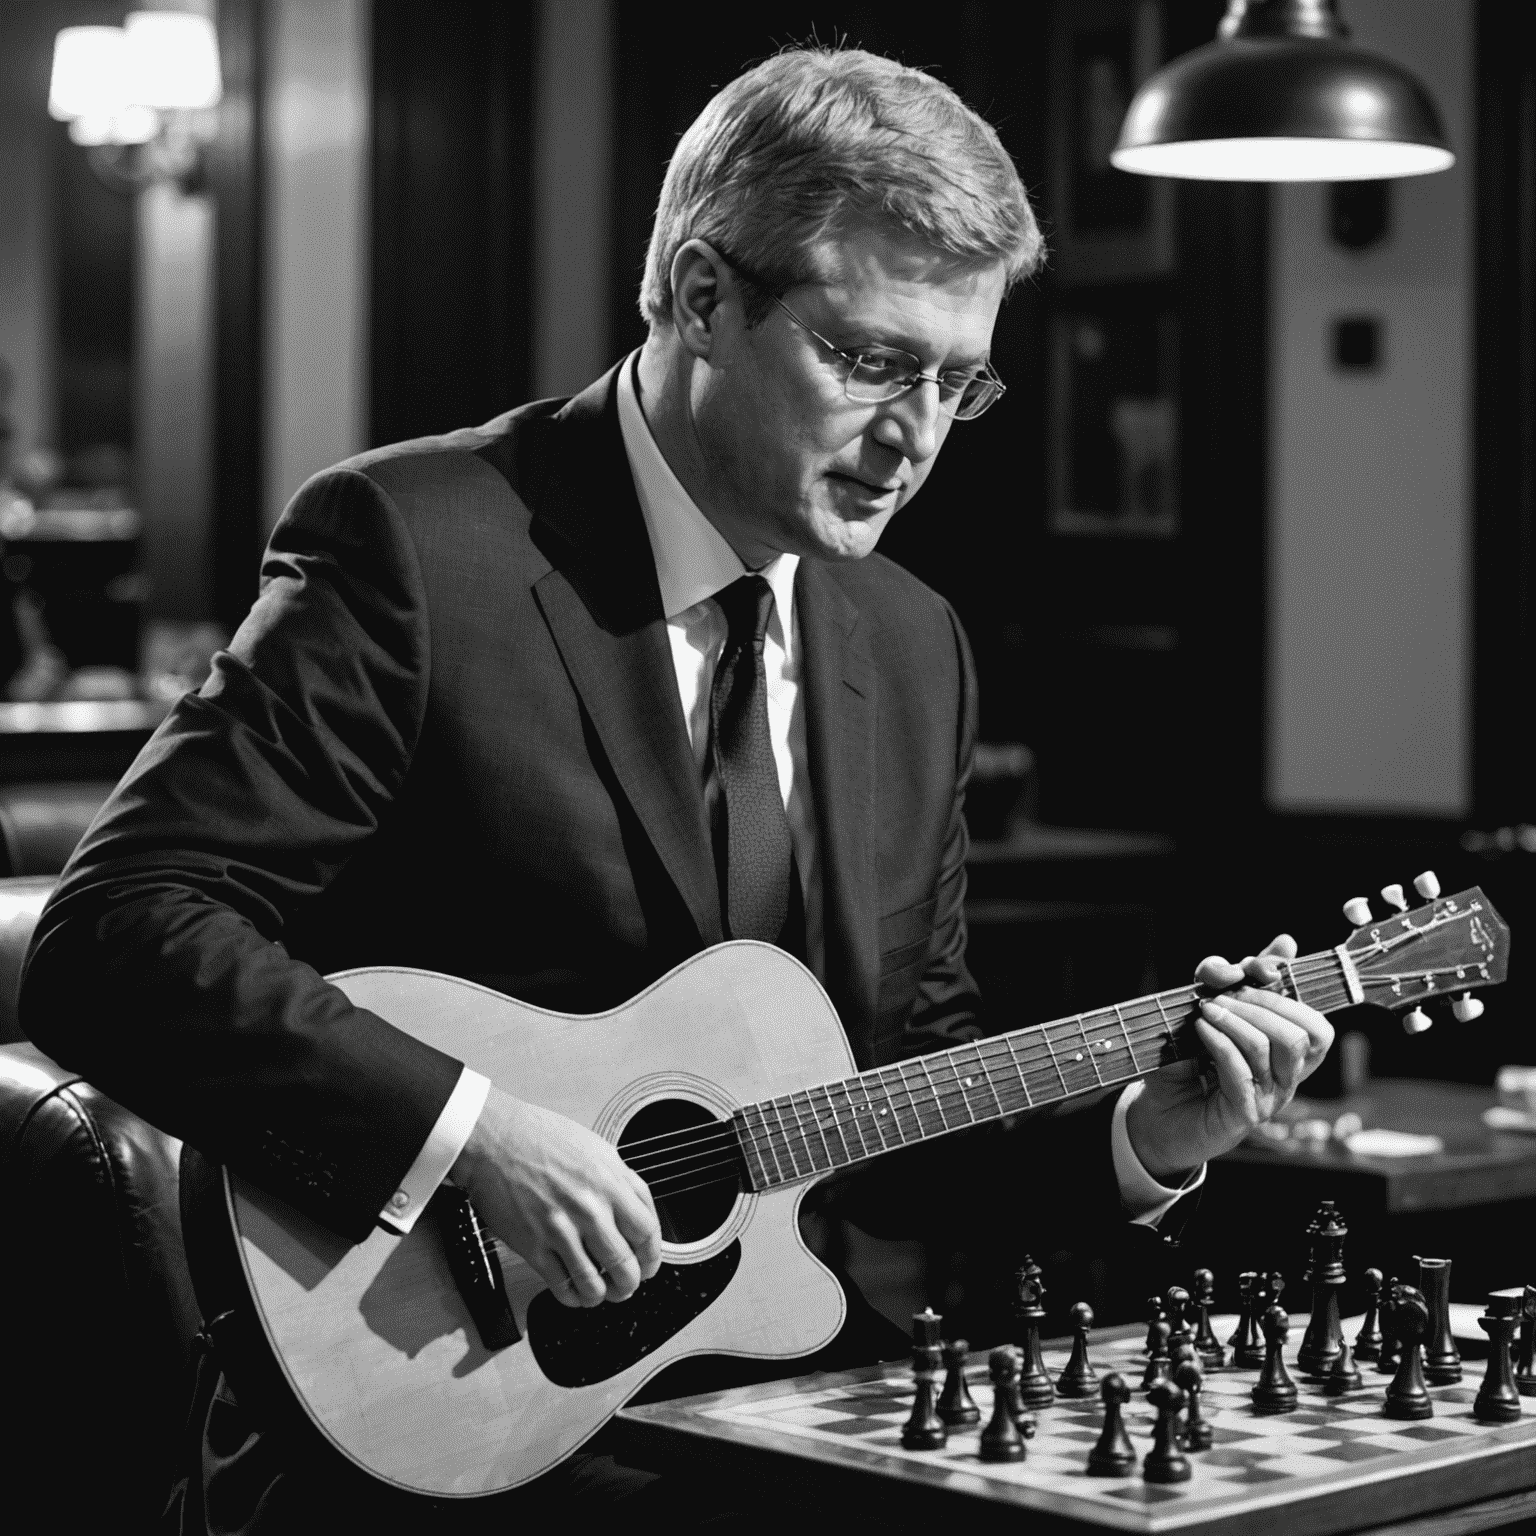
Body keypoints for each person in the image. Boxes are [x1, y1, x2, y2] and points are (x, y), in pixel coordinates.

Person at [19, 46, 1332, 1532]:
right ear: (702, 297)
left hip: (767, 1404)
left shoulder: (912, 648)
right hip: (425, 1430)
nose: (913, 438)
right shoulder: (414, 548)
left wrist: (1147, 1135)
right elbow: (115, 935)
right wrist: (471, 1136)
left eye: (956, 382)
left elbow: (909, 1091)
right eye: (871, 359)